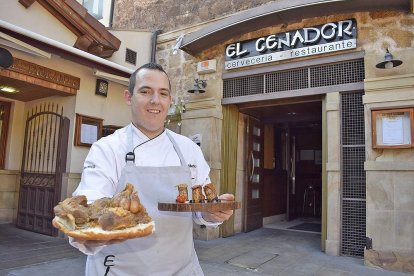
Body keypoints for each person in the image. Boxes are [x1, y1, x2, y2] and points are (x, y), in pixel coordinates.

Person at [55, 62, 234, 275]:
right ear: (129, 97)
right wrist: (82, 227)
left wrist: (213, 215)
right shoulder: (108, 148)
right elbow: (92, 202)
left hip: (182, 269)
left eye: (163, 93)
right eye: (145, 91)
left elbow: (199, 208)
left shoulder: (188, 149)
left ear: (170, 100)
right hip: (118, 270)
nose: (155, 101)